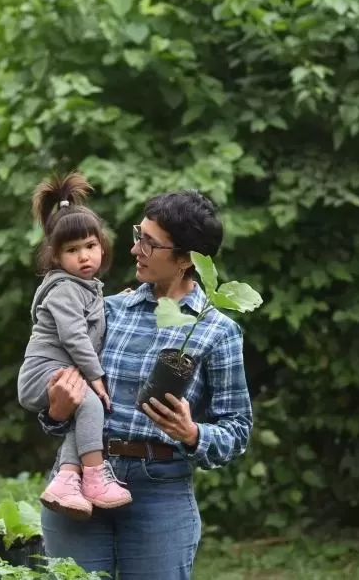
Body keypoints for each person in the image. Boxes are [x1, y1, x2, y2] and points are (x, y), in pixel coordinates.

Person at [35, 190, 253, 580]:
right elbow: (60, 410)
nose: (135, 249)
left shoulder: (219, 333)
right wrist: (55, 410)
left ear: (187, 259)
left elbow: (236, 430)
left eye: (150, 243)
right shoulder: (107, 310)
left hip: (160, 492)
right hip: (81, 482)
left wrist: (191, 433)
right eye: (140, 234)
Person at [17, 172, 132, 521]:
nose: (84, 257)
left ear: (102, 245)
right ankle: (95, 477)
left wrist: (114, 302)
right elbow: (74, 335)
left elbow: (89, 318)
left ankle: (67, 478)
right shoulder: (64, 288)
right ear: (55, 256)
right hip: (42, 374)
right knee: (93, 402)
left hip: (60, 372)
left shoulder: (85, 288)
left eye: (90, 246)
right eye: (72, 250)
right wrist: (95, 376)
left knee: (86, 416)